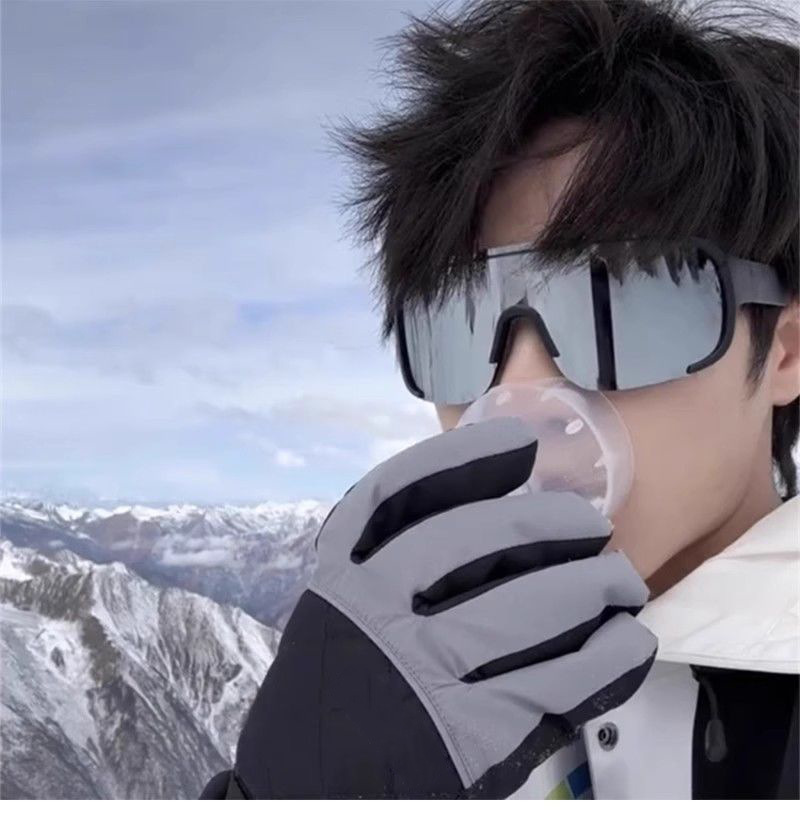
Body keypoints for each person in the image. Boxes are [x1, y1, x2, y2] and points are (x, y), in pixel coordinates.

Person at [200, 0, 799, 799]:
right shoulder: (425, 688)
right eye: (459, 319)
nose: (518, 393)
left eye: (621, 302)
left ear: (786, 351)